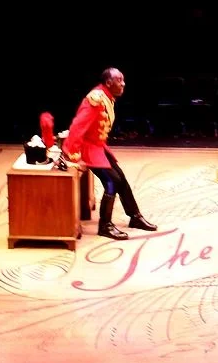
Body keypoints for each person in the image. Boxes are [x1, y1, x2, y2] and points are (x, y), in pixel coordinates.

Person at [62, 68, 157, 241]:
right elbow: (77, 127)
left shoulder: (106, 96)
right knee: (111, 182)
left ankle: (135, 216)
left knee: (121, 178)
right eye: (119, 80)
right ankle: (105, 226)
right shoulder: (96, 99)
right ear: (108, 83)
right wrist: (74, 156)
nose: (123, 84)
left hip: (98, 147)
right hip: (88, 149)